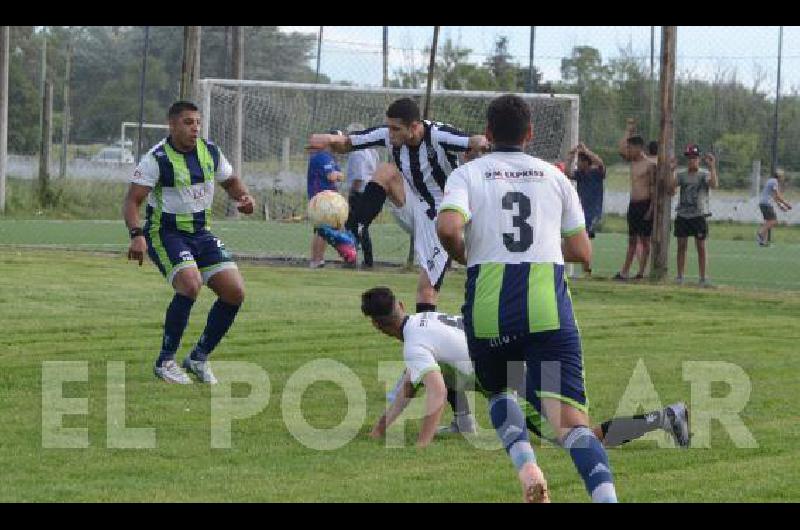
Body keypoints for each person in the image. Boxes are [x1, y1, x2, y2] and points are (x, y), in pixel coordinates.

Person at [437, 94, 618, 503]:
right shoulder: (555, 177)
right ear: (530, 133)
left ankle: (528, 467)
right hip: (546, 312)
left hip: (489, 313)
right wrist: (542, 245)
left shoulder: (468, 173)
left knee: (500, 392)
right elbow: (584, 253)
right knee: (571, 424)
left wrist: (468, 254)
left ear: (487, 133)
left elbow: (449, 228)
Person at [362, 287, 690, 450]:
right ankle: (465, 424)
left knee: (577, 438)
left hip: (515, 376)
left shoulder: (414, 346)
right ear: (401, 306)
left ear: (377, 325)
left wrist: (421, 445)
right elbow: (412, 383)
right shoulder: (425, 319)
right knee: (447, 372)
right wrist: (380, 429)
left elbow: (434, 389)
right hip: (517, 355)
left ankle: (664, 417)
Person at [306, 97, 489, 313]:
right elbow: (348, 143)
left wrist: (483, 143)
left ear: (414, 127)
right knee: (386, 171)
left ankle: (425, 335)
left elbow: (473, 141)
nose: (390, 134)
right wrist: (328, 139)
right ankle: (353, 232)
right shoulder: (389, 135)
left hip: (444, 216)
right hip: (413, 204)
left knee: (426, 290)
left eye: (396, 129)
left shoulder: (438, 135)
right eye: (389, 127)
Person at [123, 101, 255, 385]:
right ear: (172, 125)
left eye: (197, 122)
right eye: (187, 122)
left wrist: (243, 198)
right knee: (190, 284)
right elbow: (132, 201)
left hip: (201, 234)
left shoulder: (210, 152)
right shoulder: (156, 159)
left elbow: (231, 181)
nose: (194, 127)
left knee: (235, 292)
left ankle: (198, 357)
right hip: (165, 233)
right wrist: (137, 235)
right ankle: (165, 361)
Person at [669, 144, 718, 287]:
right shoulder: (681, 175)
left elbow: (714, 184)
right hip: (683, 215)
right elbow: (671, 188)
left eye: (694, 158)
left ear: (698, 159)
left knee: (701, 247)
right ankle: (680, 277)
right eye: (689, 158)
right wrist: (671, 170)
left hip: (698, 215)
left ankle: (703, 278)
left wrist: (712, 167)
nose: (692, 161)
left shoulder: (704, 174)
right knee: (681, 246)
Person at [614, 118, 656, 281]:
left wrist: (651, 209)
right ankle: (624, 272)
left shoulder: (649, 164)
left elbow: (653, 189)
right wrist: (628, 130)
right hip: (633, 205)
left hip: (645, 205)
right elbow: (621, 149)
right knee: (632, 240)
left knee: (645, 241)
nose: (629, 150)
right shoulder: (633, 161)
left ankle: (641, 272)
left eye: (632, 147)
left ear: (639, 148)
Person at [306, 130, 355, 268]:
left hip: (327, 199)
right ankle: (316, 260)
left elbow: (338, 174)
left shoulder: (329, 158)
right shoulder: (322, 157)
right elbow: (332, 176)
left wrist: (339, 174)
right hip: (322, 199)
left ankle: (318, 259)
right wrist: (340, 175)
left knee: (323, 230)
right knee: (322, 230)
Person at [343, 122, 379, 268]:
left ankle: (352, 258)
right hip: (370, 193)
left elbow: (359, 177)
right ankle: (365, 259)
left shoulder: (357, 153)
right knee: (361, 227)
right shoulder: (372, 151)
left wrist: (351, 192)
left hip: (359, 193)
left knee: (353, 226)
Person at [565, 142, 606, 242]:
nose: (577, 164)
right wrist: (570, 157)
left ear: (586, 162)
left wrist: (586, 151)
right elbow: (567, 173)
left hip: (593, 212)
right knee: (582, 238)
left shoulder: (597, 173)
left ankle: (585, 256)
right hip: (581, 211)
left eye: (579, 161)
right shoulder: (580, 174)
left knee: (584, 238)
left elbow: (600, 163)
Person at [757, 169, 793, 247]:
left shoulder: (771, 181)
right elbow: (777, 196)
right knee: (773, 221)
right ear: (779, 176)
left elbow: (774, 196)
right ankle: (760, 233)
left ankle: (762, 242)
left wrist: (780, 206)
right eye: (782, 177)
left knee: (768, 221)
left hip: (763, 203)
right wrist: (786, 204)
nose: (782, 178)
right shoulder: (774, 182)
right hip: (766, 203)